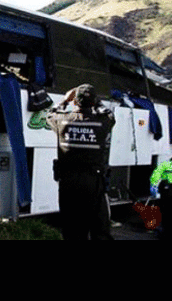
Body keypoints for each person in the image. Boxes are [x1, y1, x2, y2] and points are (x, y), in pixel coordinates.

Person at [47, 84, 116, 240]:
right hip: (93, 183)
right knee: (100, 227)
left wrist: (64, 100)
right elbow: (110, 115)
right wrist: (97, 102)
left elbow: (49, 114)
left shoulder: (62, 121)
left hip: (68, 183)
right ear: (93, 102)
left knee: (72, 229)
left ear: (75, 103)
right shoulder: (101, 122)